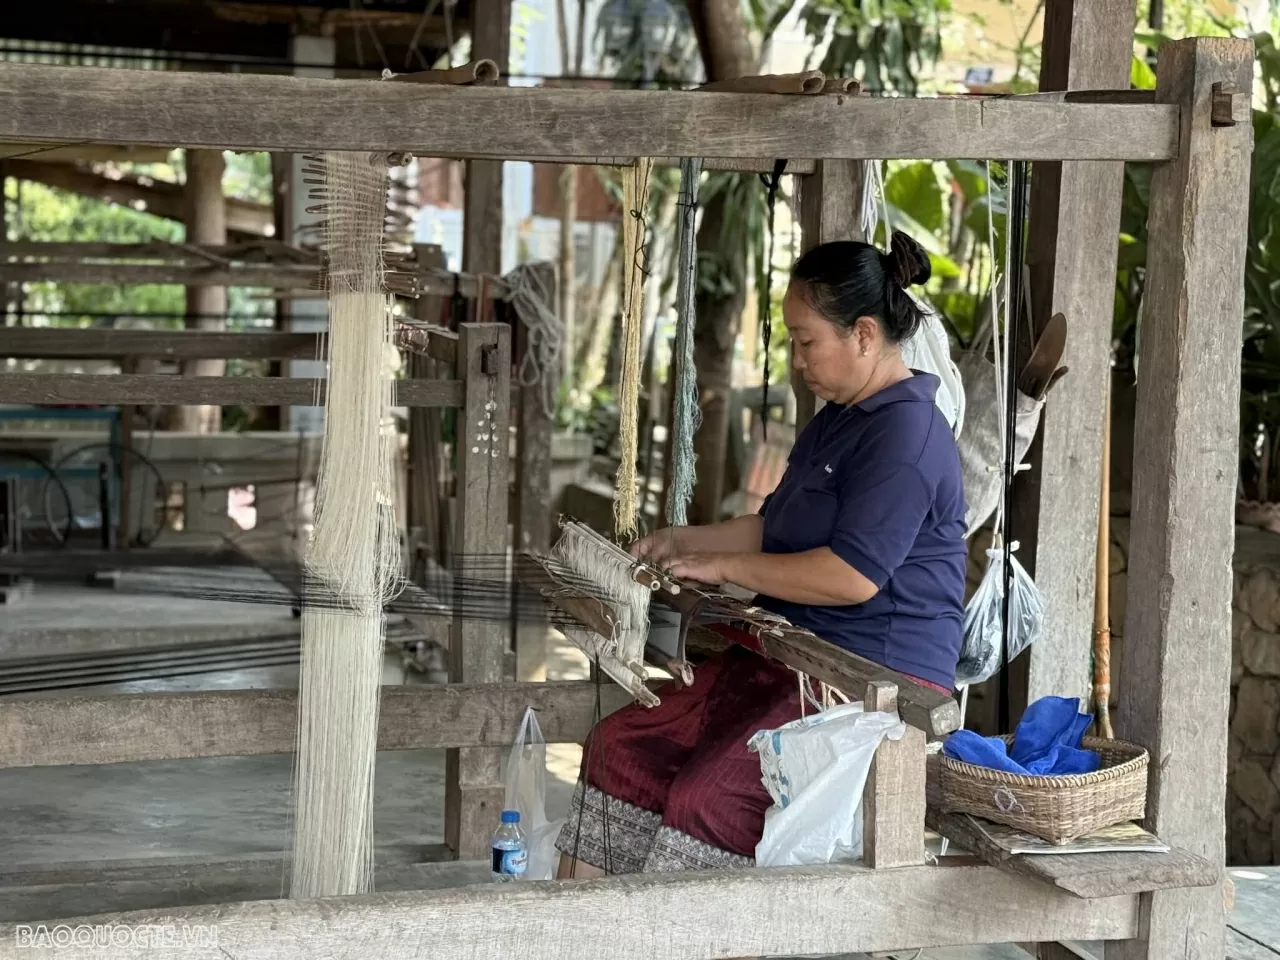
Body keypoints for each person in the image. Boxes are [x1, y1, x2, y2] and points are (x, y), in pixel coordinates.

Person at [554, 231, 967, 877]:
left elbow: (851, 576)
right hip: (792, 654)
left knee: (711, 796)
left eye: (807, 341)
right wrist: (682, 541)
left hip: (869, 682)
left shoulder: (906, 435)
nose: (798, 359)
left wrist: (722, 569)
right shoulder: (842, 414)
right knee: (621, 745)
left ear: (862, 334)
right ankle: (584, 934)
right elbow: (775, 528)